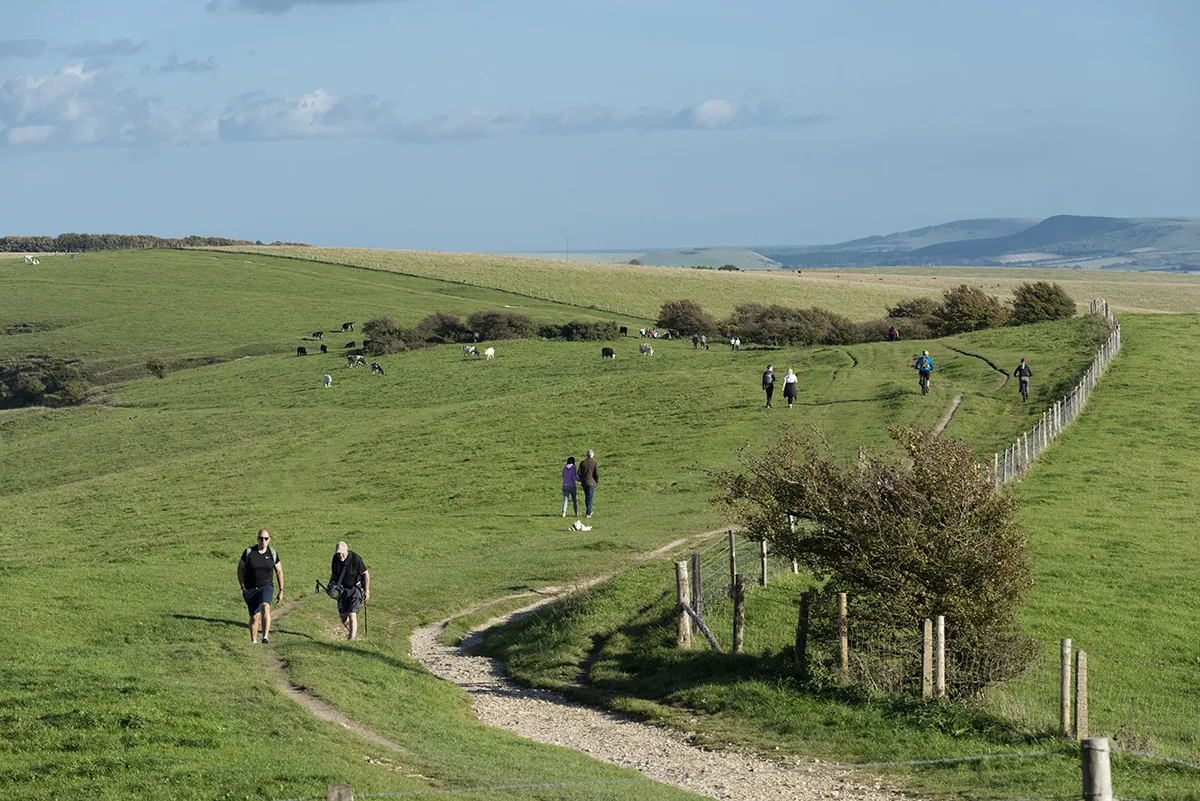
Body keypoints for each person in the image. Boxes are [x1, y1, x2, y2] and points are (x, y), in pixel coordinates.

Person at [237, 529, 284, 644]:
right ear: (257, 539)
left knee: (265, 606)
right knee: (254, 617)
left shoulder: (272, 553)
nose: (263, 541)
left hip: (266, 586)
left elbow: (279, 572)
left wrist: (281, 590)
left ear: (269, 540)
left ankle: (265, 637)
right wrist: (243, 586)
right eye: (261, 538)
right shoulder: (249, 552)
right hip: (250, 588)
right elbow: (240, 569)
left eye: (266, 538)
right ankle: (253, 641)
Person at [330, 541, 370, 640]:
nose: (340, 555)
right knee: (343, 616)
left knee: (352, 613)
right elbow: (334, 575)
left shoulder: (356, 559)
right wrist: (331, 585)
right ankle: (353, 632)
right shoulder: (335, 559)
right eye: (338, 553)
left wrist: (367, 591)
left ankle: (352, 639)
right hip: (342, 590)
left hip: (355, 588)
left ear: (346, 550)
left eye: (342, 553)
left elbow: (366, 574)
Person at [578, 449, 599, 518]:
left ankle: (589, 511)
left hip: (584, 483)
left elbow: (578, 473)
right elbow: (596, 474)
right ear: (592, 455)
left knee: (587, 497)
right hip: (592, 483)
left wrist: (582, 478)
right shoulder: (594, 463)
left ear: (587, 455)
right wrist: (596, 481)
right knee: (590, 498)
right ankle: (588, 513)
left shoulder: (582, 463)